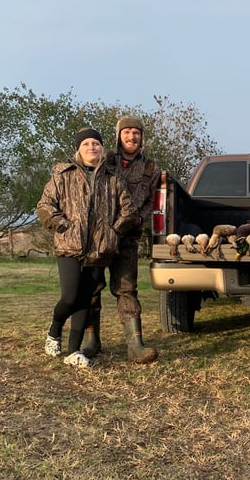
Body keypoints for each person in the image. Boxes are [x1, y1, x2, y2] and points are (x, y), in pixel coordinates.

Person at [36, 127, 137, 368]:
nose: (92, 147)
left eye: (96, 143)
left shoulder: (113, 177)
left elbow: (129, 210)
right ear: (79, 149)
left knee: (85, 299)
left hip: (99, 250)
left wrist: (113, 232)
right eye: (86, 144)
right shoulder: (63, 174)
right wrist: (61, 225)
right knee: (70, 297)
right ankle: (55, 327)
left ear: (102, 148)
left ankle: (73, 351)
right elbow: (45, 205)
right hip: (69, 246)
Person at [81, 116, 160, 364]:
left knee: (127, 289)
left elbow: (152, 202)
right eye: (127, 132)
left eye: (136, 133)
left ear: (142, 137)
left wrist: (137, 220)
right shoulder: (105, 160)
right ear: (118, 135)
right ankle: (91, 340)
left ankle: (135, 346)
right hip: (98, 236)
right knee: (92, 288)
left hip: (127, 238)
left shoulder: (150, 168)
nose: (131, 137)